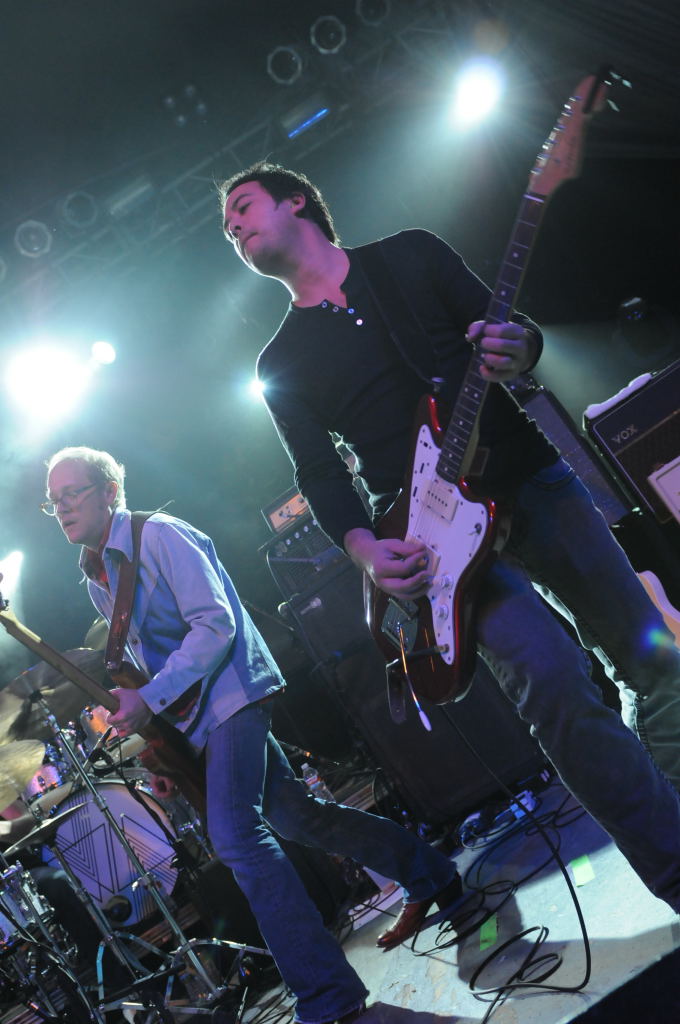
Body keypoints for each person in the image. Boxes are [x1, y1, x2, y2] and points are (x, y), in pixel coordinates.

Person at [218, 162, 680, 915]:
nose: (233, 227)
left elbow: (513, 331)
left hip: (529, 480)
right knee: (553, 682)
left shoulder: (410, 254)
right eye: (227, 227)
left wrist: (518, 347)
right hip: (434, 538)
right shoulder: (280, 362)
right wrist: (366, 551)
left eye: (242, 207)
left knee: (655, 662)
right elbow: (322, 476)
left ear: (297, 199)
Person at [43, 446, 461, 1024]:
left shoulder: (159, 535)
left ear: (109, 491)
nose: (62, 507)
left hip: (235, 692)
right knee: (301, 818)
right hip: (201, 716)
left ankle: (328, 995)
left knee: (237, 837)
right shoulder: (99, 579)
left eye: (72, 493)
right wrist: (168, 753)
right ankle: (431, 874)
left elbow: (215, 625)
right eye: (54, 501)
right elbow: (152, 667)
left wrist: (153, 699)